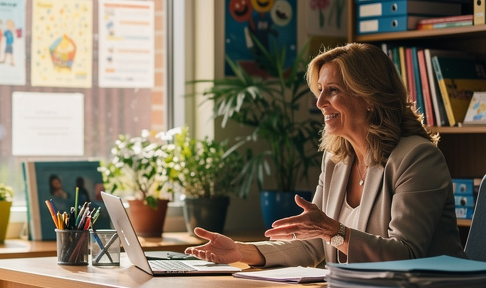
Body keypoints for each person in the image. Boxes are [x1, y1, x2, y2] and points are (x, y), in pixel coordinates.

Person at [186, 43, 464, 267]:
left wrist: (334, 232)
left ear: (369, 98)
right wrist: (240, 251)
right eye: (320, 91)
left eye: (332, 91)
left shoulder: (417, 158)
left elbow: (407, 255)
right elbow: (312, 244)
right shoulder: (336, 162)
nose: (319, 103)